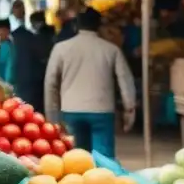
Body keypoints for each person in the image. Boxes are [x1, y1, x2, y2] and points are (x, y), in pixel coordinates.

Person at [44, 9, 135, 158]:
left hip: (70, 111)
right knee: (104, 161)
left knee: (76, 159)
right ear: (99, 27)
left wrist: (52, 115)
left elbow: (50, 83)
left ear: (75, 26)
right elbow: (125, 80)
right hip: (102, 111)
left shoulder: (61, 48)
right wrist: (129, 109)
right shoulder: (111, 50)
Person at [0, 19, 14, 84]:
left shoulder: (7, 46)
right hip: (1, 80)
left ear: (8, 31)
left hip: (7, 81)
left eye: (2, 30)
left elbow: (8, 66)